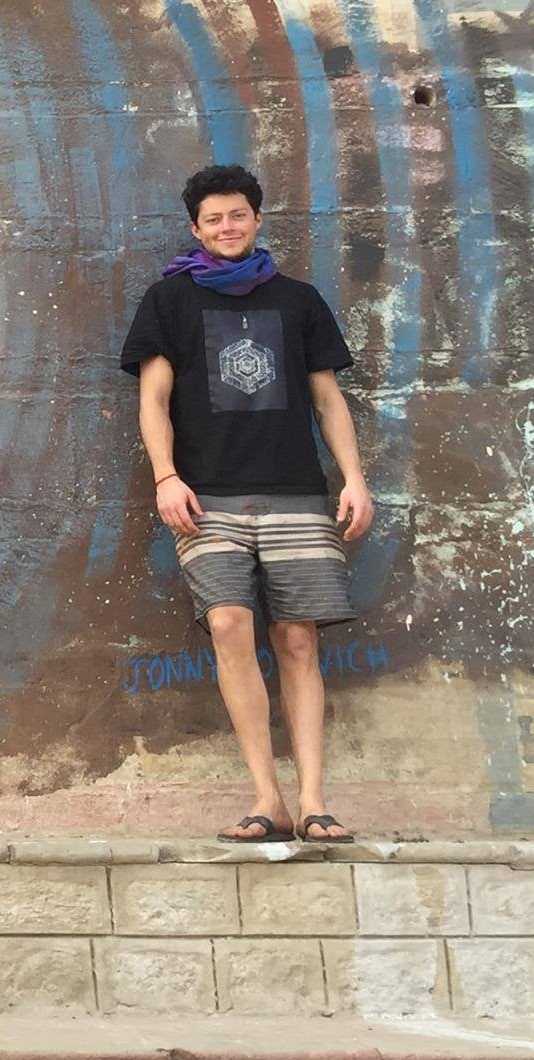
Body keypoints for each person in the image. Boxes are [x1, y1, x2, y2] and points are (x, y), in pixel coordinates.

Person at [120, 163, 375, 843]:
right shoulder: (168, 301)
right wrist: (166, 476)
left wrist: (354, 478)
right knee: (230, 625)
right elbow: (153, 400)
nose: (227, 226)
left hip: (296, 493)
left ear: (257, 219)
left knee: (298, 638)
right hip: (207, 498)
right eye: (214, 219)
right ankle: (268, 799)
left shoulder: (298, 301)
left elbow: (328, 400)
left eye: (238, 215)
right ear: (196, 228)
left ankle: (313, 800)